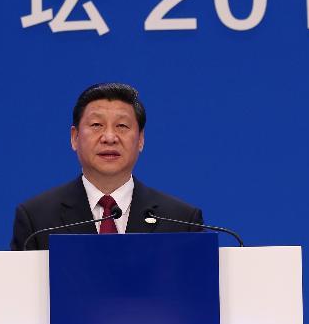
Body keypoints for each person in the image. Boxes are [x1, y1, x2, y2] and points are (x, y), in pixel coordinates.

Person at [10, 82, 204, 250]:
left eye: (122, 126)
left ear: (141, 140)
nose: (109, 137)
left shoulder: (181, 221)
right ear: (74, 138)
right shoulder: (37, 220)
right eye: (96, 125)